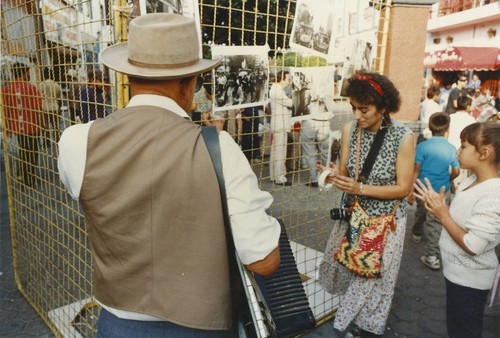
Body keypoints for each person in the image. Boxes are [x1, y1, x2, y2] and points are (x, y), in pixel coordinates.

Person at [57, 13, 281, 337]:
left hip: (116, 326)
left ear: (129, 75)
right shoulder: (220, 149)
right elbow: (264, 261)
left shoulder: (76, 142)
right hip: (202, 326)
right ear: (188, 84)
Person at [318, 72, 415, 337]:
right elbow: (345, 172)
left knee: (374, 277)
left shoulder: (403, 137)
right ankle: (352, 321)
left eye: (364, 109)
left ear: (383, 108)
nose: (357, 116)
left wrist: (361, 188)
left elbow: (403, 188)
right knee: (353, 268)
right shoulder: (350, 129)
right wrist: (334, 174)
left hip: (386, 221)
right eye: (353, 109)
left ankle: (362, 327)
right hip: (355, 215)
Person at [414, 122, 500, 338]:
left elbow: (473, 245)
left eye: (463, 146)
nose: (457, 151)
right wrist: (439, 209)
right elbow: (460, 222)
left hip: (470, 282)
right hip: (458, 276)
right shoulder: (471, 180)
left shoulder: (494, 194)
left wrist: (443, 215)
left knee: (464, 331)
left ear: (484, 153)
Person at [408, 113, 460, 269]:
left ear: (430, 128)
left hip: (423, 188)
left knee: (421, 212)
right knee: (435, 223)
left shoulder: (423, 146)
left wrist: (411, 188)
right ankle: (432, 256)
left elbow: (416, 169)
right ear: (447, 129)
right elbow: (456, 171)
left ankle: (417, 233)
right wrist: (448, 179)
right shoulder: (451, 148)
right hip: (442, 191)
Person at [2, 62, 43, 188]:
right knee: (32, 152)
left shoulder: (5, 90)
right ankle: (29, 179)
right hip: (32, 126)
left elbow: (5, 110)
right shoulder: (31, 88)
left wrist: (8, 127)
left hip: (17, 127)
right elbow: (38, 108)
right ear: (24, 73)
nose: (29, 75)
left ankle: (21, 174)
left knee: (24, 149)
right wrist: (44, 124)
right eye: (28, 72)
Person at [269, 70, 293, 186]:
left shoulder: (276, 89)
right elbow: (290, 103)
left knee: (276, 150)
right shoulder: (277, 90)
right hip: (280, 124)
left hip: (278, 124)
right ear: (282, 79)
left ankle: (274, 175)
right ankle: (280, 177)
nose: (289, 81)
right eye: (288, 79)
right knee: (280, 151)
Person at [38, 67, 63, 146]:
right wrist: (59, 107)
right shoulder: (56, 85)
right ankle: (57, 139)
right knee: (56, 124)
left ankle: (47, 141)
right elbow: (60, 98)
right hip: (55, 107)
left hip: (45, 107)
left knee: (46, 125)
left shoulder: (41, 85)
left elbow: (38, 97)